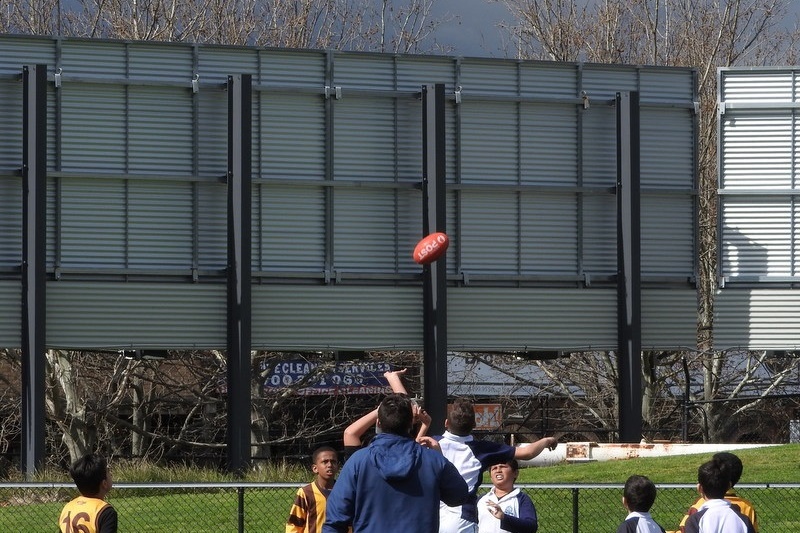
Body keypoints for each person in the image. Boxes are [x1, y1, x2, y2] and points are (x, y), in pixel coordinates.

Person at [323, 393, 469, 533]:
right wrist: (440, 456)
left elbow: (335, 519)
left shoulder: (358, 462)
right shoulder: (433, 461)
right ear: (410, 424)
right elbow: (459, 496)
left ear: (378, 422)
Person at [436, 397, 558, 533]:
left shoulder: (431, 443)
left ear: (446, 423)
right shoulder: (480, 449)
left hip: (431, 515)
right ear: (475, 425)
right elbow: (527, 453)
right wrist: (547, 440)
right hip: (461, 519)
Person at [342, 368, 431, 461]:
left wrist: (381, 410)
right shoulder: (416, 457)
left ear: (379, 423)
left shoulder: (363, 459)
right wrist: (425, 425)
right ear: (409, 424)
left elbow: (350, 433)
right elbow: (415, 448)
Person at [677, 452, 758, 532]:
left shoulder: (697, 513)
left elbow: (683, 529)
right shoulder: (747, 509)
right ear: (729, 485)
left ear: (700, 488)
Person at [286, 446, 341, 533]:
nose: (329, 465)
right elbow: (294, 524)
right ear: (315, 468)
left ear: (337, 466)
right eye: (325, 462)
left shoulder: (345, 492)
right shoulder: (306, 493)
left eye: (333, 462)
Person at [58, 453, 117, 533]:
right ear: (104, 484)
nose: (110, 474)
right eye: (108, 471)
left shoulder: (68, 507)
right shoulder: (106, 512)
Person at [476, 459, 538, 533]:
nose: (498, 470)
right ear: (491, 477)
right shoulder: (482, 499)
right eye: (494, 468)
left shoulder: (521, 499)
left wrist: (504, 518)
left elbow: (531, 527)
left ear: (515, 473)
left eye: (503, 466)